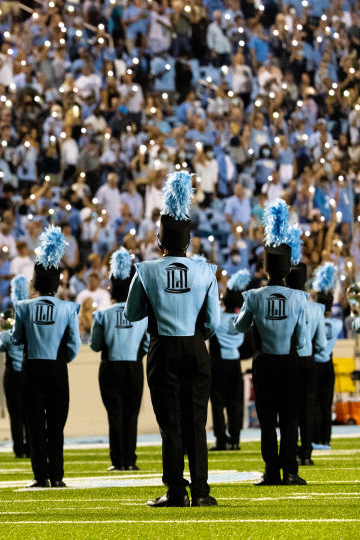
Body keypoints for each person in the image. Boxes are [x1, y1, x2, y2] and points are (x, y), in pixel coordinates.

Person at [126, 171, 219, 508]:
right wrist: (194, 337)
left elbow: (132, 314)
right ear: (188, 241)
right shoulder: (206, 271)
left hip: (163, 348)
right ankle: (202, 492)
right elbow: (213, 321)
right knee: (197, 421)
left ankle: (176, 491)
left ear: (160, 241)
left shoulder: (147, 270)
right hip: (196, 347)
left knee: (170, 422)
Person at [234, 200, 308, 486]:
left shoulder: (253, 296)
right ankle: (291, 470)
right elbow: (301, 340)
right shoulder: (300, 298)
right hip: (289, 361)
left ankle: (271, 471)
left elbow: (240, 326)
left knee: (267, 421)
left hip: (263, 362)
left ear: (265, 267)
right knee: (290, 419)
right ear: (288, 269)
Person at [12, 226, 80, 488]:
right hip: (57, 368)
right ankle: (57, 476)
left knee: (35, 423)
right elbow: (73, 344)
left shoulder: (24, 307)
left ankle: (40, 475)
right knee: (56, 425)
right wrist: (62, 359)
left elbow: (17, 338)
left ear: (37, 282)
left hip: (32, 368)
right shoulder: (67, 308)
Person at [89, 248, 148, 472]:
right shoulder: (141, 315)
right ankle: (131, 460)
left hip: (110, 366)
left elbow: (95, 345)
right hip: (133, 366)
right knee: (131, 414)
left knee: (114, 414)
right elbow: (146, 345)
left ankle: (117, 461)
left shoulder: (102, 315)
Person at [291, 253, 326, 469]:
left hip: (290, 360)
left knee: (290, 409)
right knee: (308, 408)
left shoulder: (286, 303)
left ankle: (292, 452)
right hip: (309, 360)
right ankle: (306, 452)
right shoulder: (317, 309)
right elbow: (321, 343)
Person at [209, 269, 249, 452]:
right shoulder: (241, 320)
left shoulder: (219, 318)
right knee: (236, 404)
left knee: (218, 404)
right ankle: (235, 439)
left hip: (219, 364)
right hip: (235, 363)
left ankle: (221, 439)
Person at [0, 275, 28, 459]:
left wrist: (4, 331)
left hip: (12, 375)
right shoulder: (28, 327)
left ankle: (19, 448)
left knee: (15, 414)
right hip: (28, 373)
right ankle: (31, 446)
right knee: (30, 413)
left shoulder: (7, 334)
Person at [311, 263, 341, 450]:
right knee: (326, 403)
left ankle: (315, 438)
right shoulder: (337, 323)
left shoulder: (315, 319)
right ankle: (326, 439)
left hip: (315, 363)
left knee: (314, 404)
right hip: (328, 362)